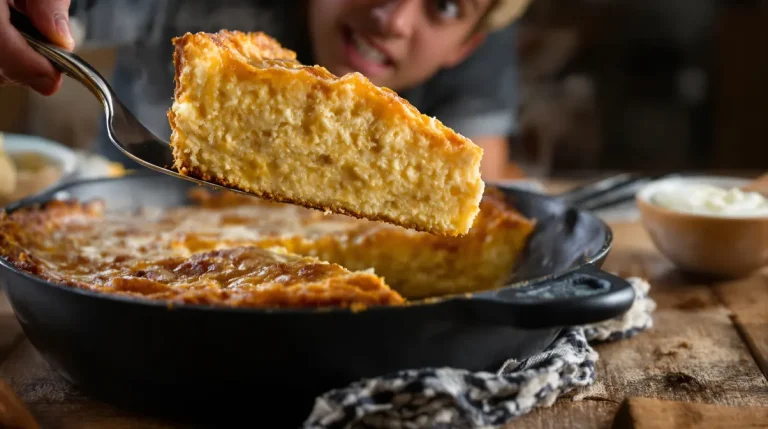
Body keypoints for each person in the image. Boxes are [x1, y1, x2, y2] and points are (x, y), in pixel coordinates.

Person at [0, 0, 530, 180]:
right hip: (114, 219)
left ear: (468, 44)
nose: (392, 19)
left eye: (445, 5)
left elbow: (478, 195)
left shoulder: (480, 46)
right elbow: (48, 15)